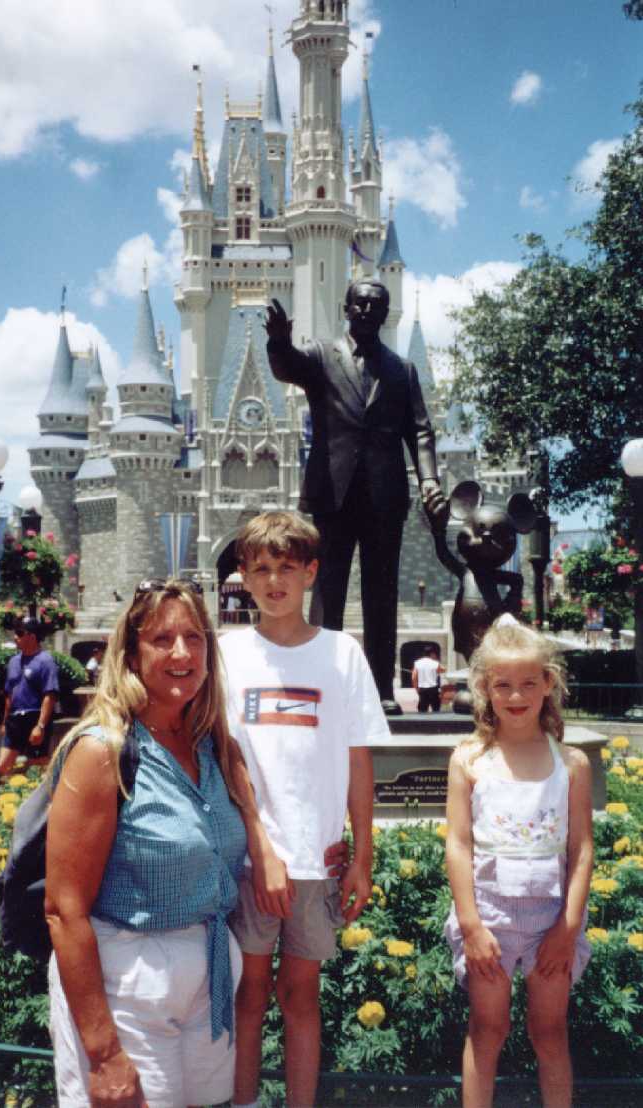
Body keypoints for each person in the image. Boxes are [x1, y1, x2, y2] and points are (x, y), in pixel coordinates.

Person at [44, 578, 342, 1107]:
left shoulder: (209, 744)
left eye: (194, 637)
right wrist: (103, 1052)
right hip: (128, 978)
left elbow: (259, 805)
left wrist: (328, 845)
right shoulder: (103, 752)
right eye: (162, 639)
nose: (182, 653)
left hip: (208, 979)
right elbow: (64, 910)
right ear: (132, 655)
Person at [219, 511, 389, 1108]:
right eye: (261, 568)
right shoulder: (227, 654)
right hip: (251, 862)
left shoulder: (342, 653)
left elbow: (359, 759)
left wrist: (362, 855)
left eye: (287, 568)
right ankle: (242, 1101)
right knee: (248, 995)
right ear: (243, 576)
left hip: (317, 861)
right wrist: (261, 847)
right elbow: (228, 759)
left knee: (301, 996)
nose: (274, 581)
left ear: (311, 572)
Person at [265, 281, 448, 708]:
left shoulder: (402, 370)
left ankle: (381, 691)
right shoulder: (321, 356)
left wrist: (429, 479)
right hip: (332, 492)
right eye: (360, 302)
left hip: (385, 496)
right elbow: (287, 367)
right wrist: (279, 342)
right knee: (327, 591)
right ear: (346, 308)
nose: (366, 309)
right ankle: (322, 684)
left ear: (385, 314)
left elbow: (420, 431)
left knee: (381, 595)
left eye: (376, 304)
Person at [444, 616, 593, 1108]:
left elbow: (581, 850)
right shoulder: (469, 759)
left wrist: (567, 928)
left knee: (549, 1032)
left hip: (552, 918)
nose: (515, 695)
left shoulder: (571, 764)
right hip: (490, 917)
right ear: (485, 688)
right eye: (503, 684)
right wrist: (471, 925)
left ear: (548, 683)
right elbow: (458, 845)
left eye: (529, 683)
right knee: (488, 1029)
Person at [0, 616, 59, 777]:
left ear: (32, 636)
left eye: (19, 633)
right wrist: (5, 722)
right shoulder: (13, 662)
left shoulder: (46, 661)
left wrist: (40, 726)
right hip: (14, 720)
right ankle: (9, 793)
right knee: (3, 767)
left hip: (34, 718)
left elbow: (50, 696)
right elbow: (9, 694)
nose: (15, 637)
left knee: (37, 769)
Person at [412, 645, 444, 713]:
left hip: (422, 689)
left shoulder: (417, 663)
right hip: (433, 689)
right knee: (436, 710)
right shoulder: (435, 663)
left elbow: (414, 677)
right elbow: (443, 670)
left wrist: (416, 688)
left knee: (422, 710)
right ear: (432, 654)